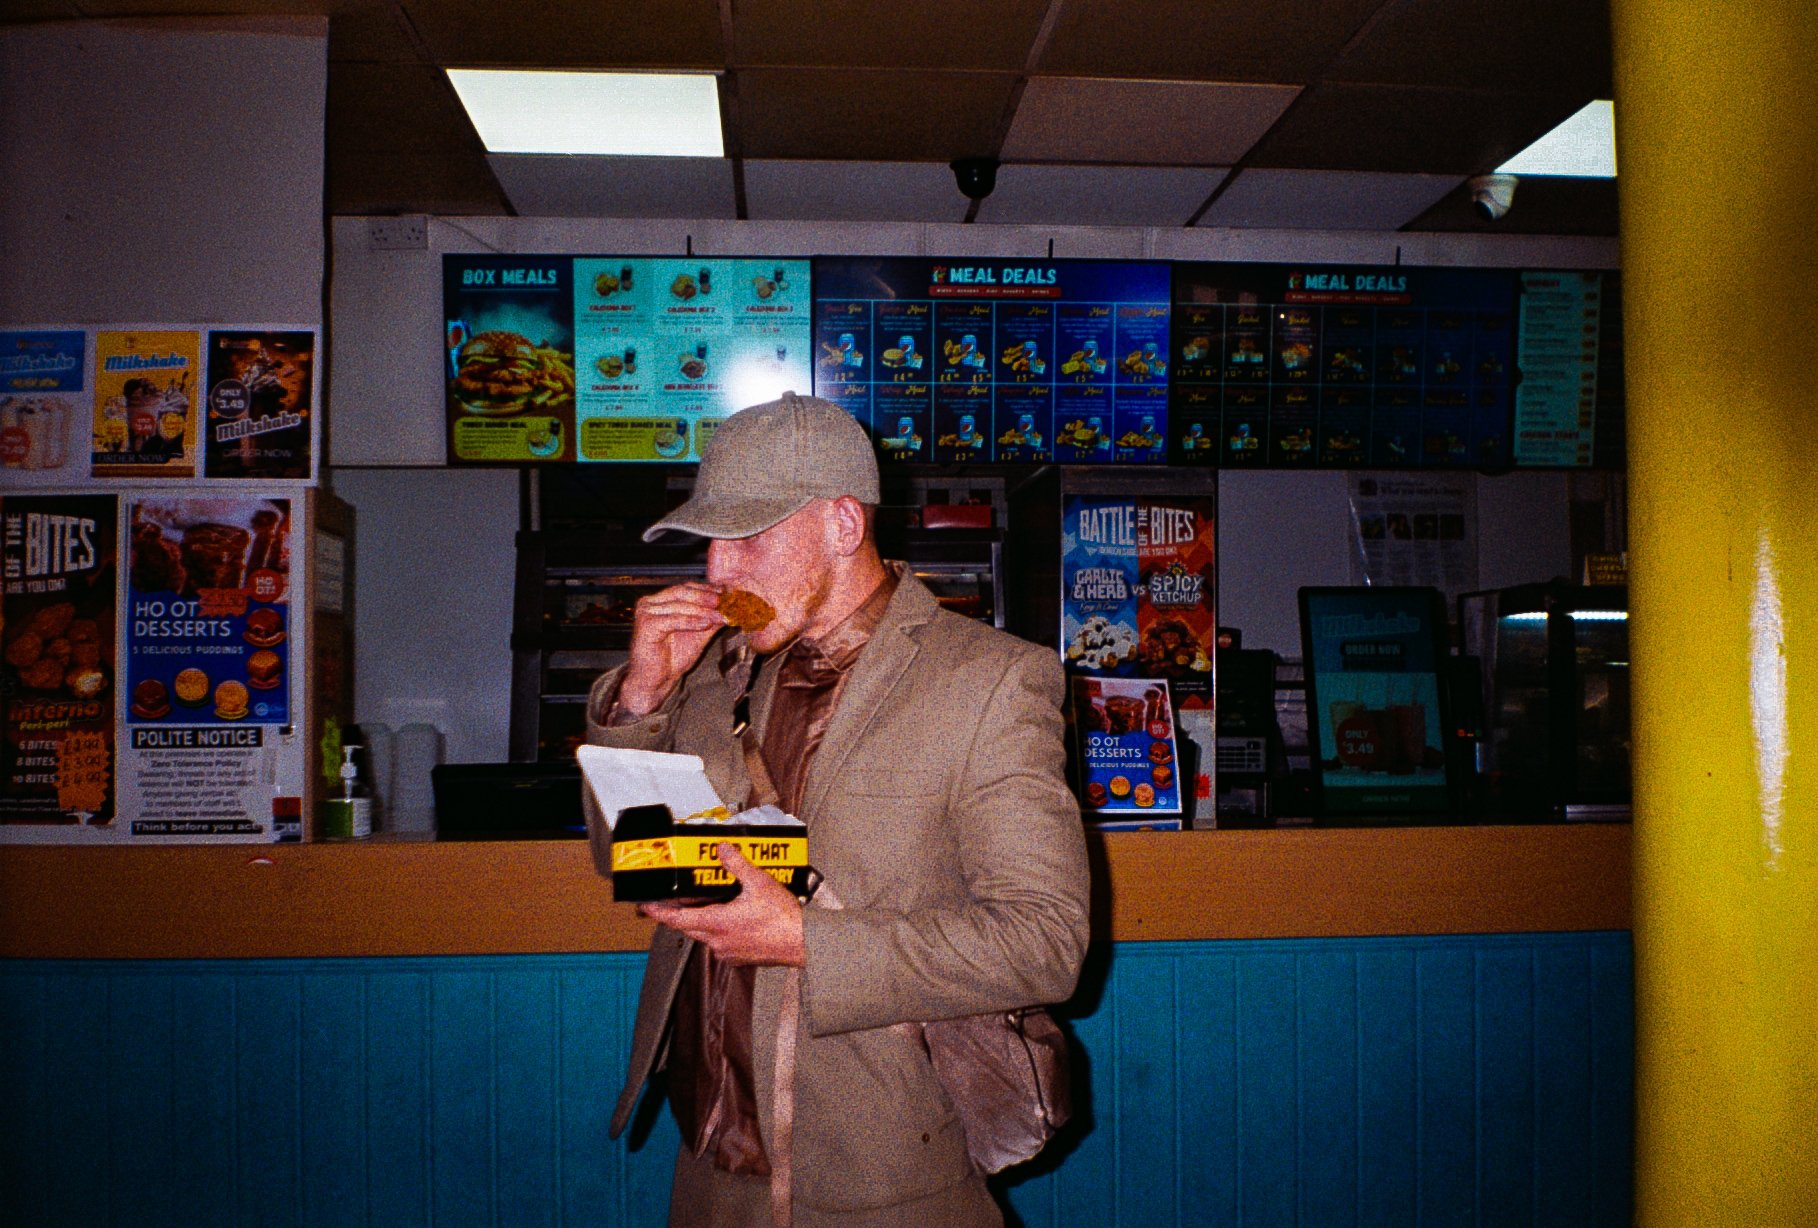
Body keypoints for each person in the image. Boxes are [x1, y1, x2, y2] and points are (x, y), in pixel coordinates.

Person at [586, 392, 1090, 1227]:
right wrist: (640, 700)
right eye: (712, 543)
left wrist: (804, 942)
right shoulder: (714, 673)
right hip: (707, 1162)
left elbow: (1046, 943)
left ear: (842, 524)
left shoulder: (990, 682)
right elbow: (630, 857)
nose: (717, 573)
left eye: (747, 539)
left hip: (879, 1177)